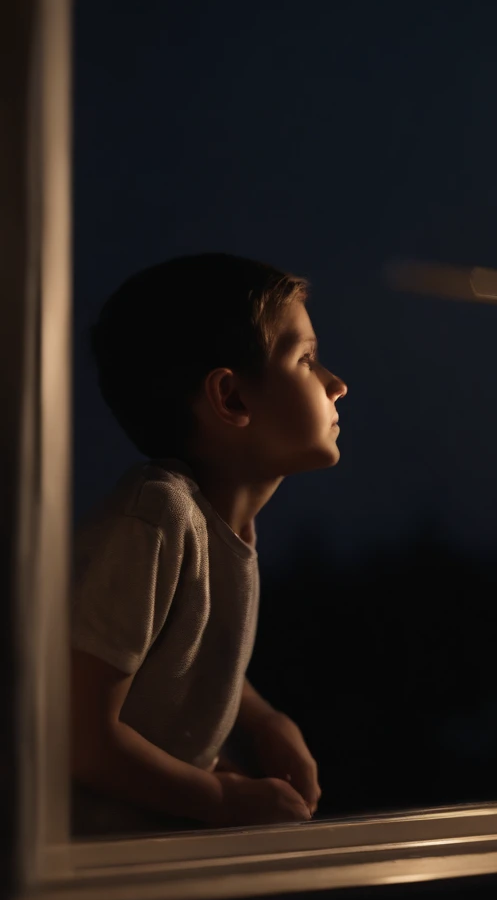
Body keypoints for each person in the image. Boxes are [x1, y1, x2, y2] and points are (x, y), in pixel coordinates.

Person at [70, 252, 347, 836]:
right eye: (308, 360)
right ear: (232, 399)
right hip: (89, 875)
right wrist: (224, 801)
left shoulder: (214, 525)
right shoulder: (158, 518)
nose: (337, 385)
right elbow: (81, 737)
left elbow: (178, 646)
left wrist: (265, 720)